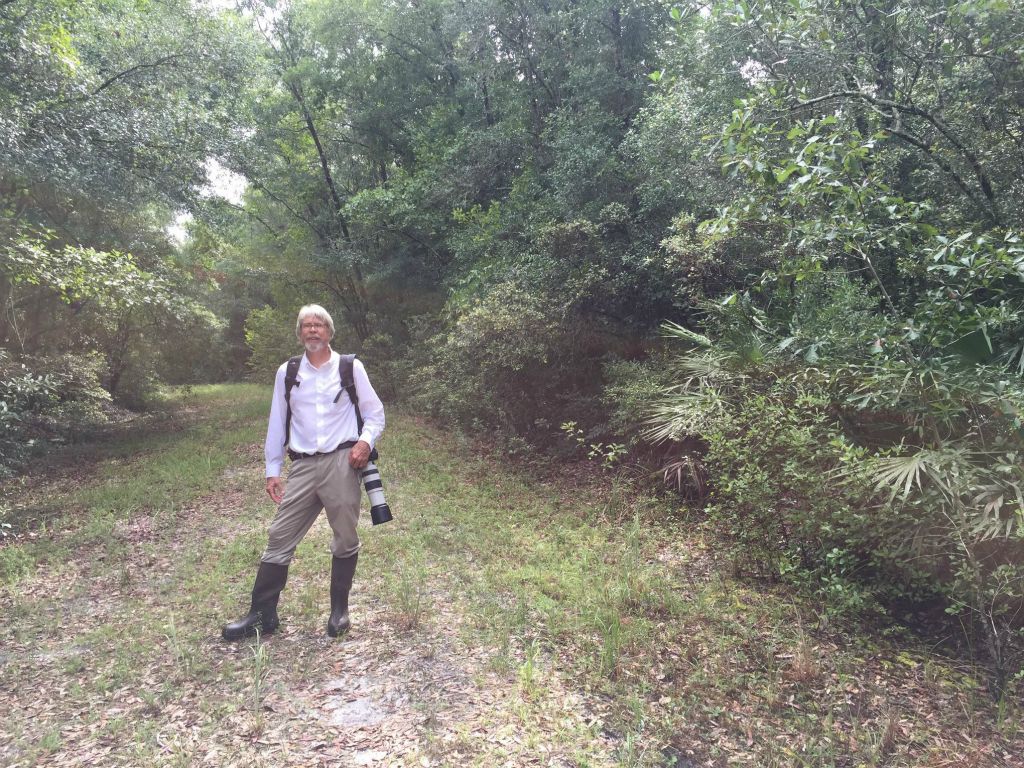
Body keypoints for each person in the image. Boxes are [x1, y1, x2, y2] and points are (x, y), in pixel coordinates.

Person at [222, 304, 385, 640]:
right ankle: (262, 615)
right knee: (279, 535)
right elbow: (276, 423)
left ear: (329, 332)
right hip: (303, 465)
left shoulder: (350, 367)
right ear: (299, 333)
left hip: (342, 462)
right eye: (306, 326)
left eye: (319, 325)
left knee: (345, 536)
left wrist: (364, 443)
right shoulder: (288, 371)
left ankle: (339, 611)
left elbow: (375, 414)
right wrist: (272, 469)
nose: (313, 330)